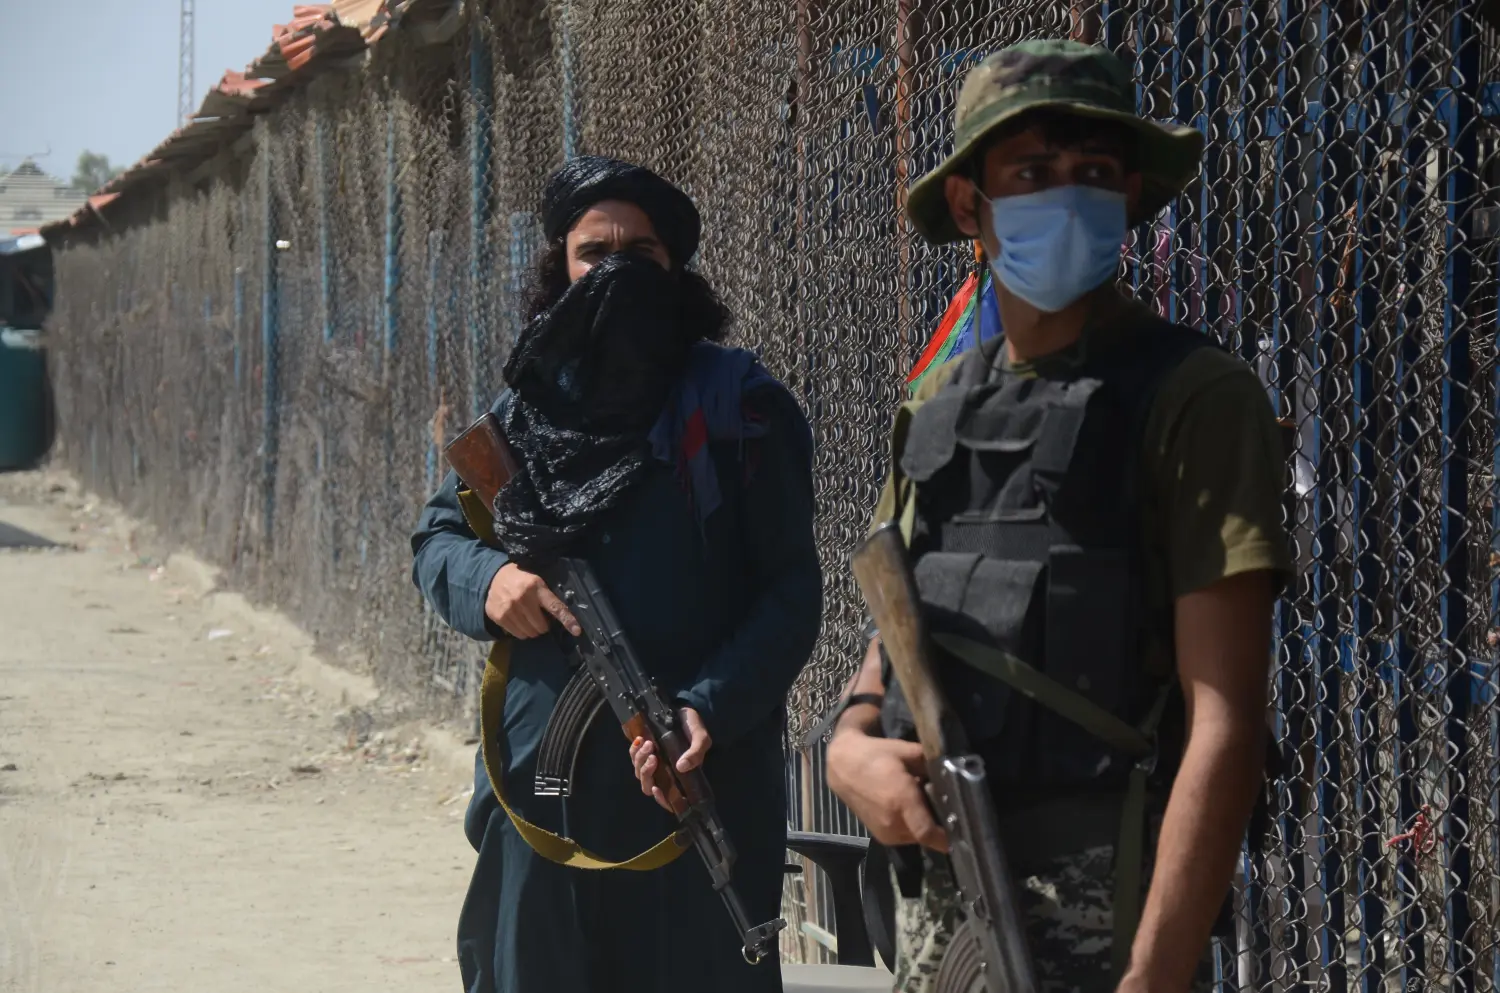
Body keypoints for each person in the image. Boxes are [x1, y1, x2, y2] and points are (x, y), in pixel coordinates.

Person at [823, 40, 1292, 993]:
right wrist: (848, 743)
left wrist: (1153, 975)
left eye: (1093, 174)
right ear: (970, 206)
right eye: (1033, 174)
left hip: (1104, 912)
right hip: (939, 912)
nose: (1067, 195)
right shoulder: (937, 400)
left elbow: (1226, 718)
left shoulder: (1193, 395)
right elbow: (896, 625)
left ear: (1127, 198)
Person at [411, 156, 823, 993]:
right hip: (542, 794)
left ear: (676, 270)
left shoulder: (740, 409)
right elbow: (438, 536)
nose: (615, 271)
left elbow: (792, 590)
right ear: (559, 268)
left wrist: (709, 704)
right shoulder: (527, 414)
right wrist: (489, 581)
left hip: (697, 779)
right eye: (594, 252)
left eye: (641, 252)